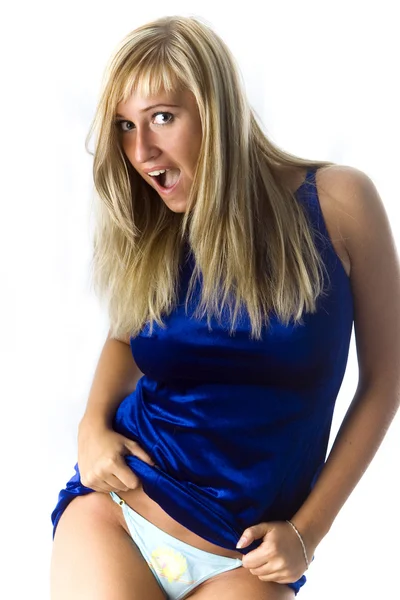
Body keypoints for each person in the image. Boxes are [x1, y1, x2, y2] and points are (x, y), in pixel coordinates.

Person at [49, 14, 400, 600]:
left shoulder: (338, 202)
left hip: (248, 558)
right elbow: (125, 335)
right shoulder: (156, 224)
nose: (141, 151)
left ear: (215, 107)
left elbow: (387, 378)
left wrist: (308, 533)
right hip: (119, 514)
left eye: (162, 117)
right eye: (124, 126)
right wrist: (90, 427)